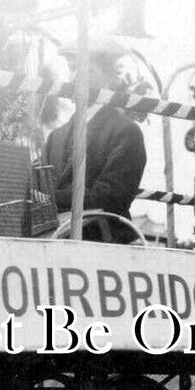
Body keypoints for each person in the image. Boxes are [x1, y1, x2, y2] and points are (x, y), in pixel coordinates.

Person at [44, 37, 146, 243]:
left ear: (108, 77)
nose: (73, 78)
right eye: (71, 69)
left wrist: (50, 199)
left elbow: (110, 198)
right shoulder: (55, 137)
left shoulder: (125, 132)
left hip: (104, 241)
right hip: (52, 239)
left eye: (84, 70)